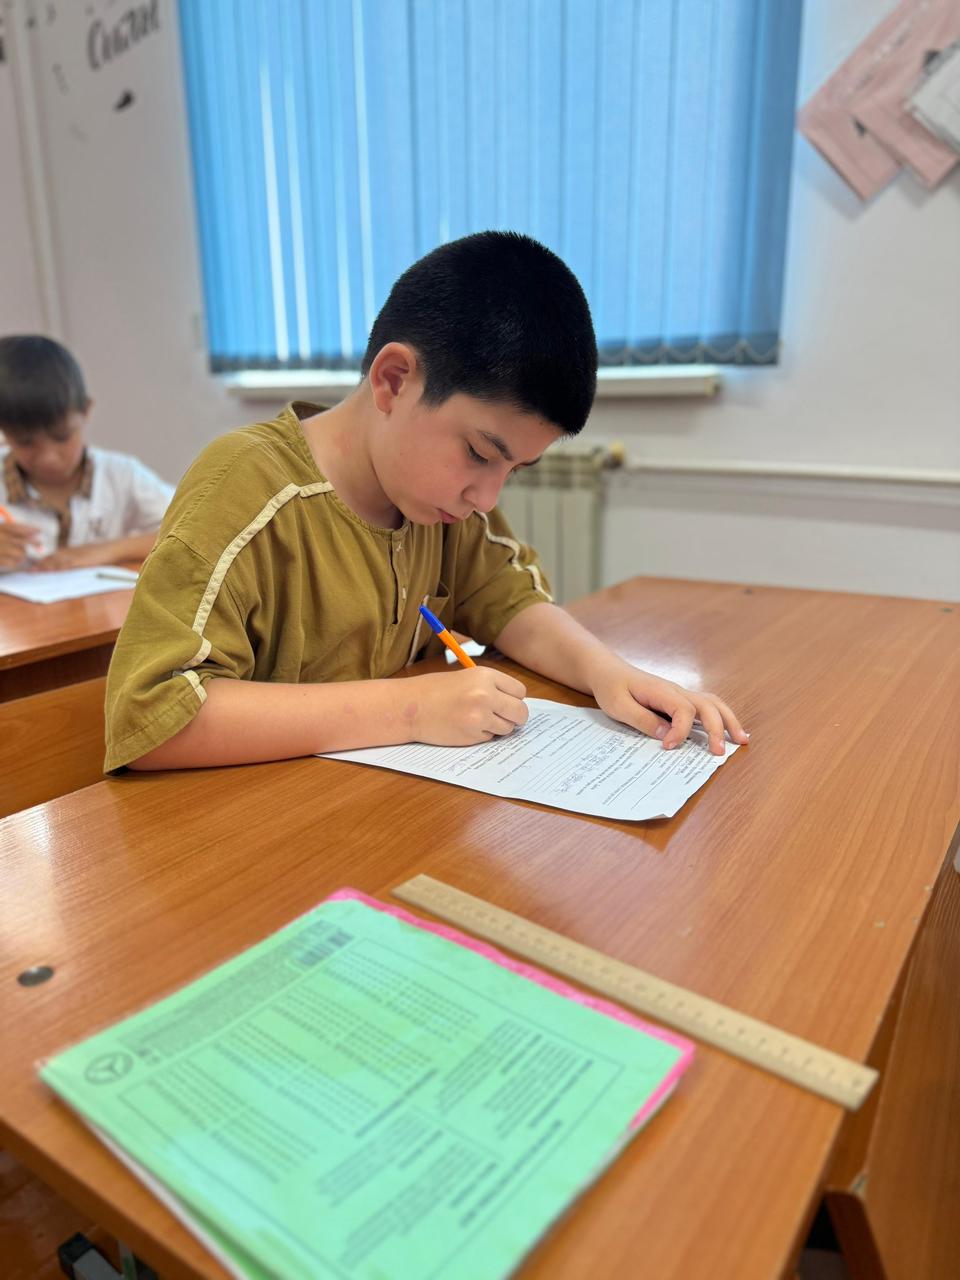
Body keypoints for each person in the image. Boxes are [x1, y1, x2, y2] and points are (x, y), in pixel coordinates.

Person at [105, 232, 748, 773]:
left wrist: (608, 674)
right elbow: (153, 716)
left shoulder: (436, 504)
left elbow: (510, 601)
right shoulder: (245, 486)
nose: (485, 497)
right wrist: (411, 710)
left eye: (514, 470)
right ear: (393, 381)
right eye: (479, 452)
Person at [0, 335, 174, 572]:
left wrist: (106, 550)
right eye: (25, 442)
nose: (49, 458)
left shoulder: (121, 475)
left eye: (62, 436)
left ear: (85, 410)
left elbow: (193, 529)